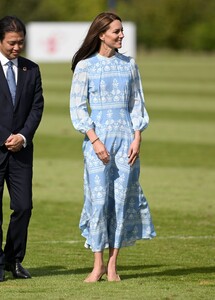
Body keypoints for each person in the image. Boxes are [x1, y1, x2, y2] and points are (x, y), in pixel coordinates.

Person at [70, 12, 156, 283]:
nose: (121, 35)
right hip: (98, 141)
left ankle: (112, 265)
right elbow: (78, 107)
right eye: (116, 31)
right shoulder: (85, 66)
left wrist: (137, 137)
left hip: (126, 141)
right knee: (98, 202)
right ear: (101, 34)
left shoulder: (130, 65)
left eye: (121, 31)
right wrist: (94, 140)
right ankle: (96, 265)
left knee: (120, 202)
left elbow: (137, 104)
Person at [0, 16, 44, 282]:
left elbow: (37, 107)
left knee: (23, 206)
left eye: (21, 43)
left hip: (21, 151)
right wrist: (6, 136)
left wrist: (23, 136)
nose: (17, 48)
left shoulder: (31, 69)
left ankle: (14, 260)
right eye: (11, 43)